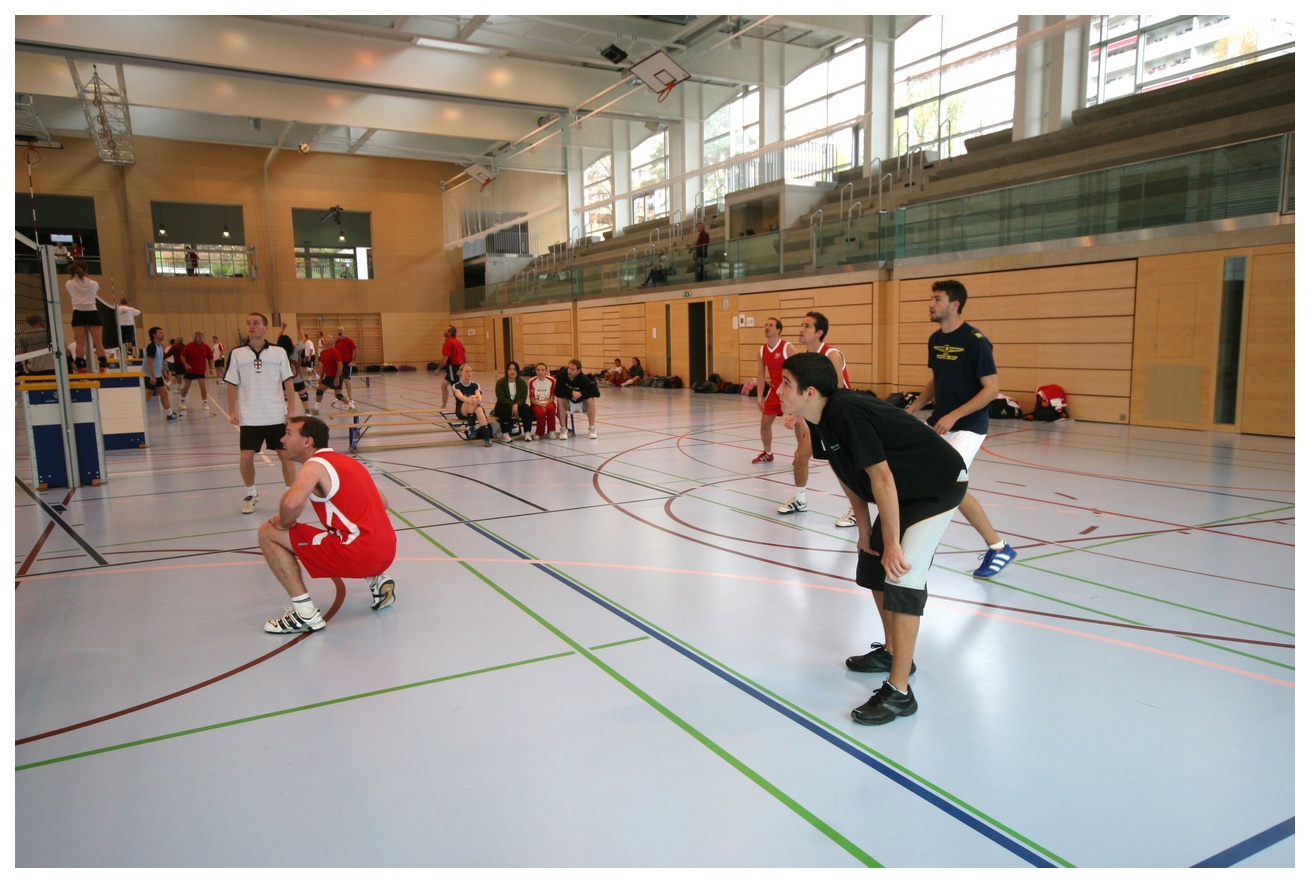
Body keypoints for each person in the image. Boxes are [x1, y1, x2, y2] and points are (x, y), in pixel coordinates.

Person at [778, 351, 967, 726]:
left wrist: (892, 544)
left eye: (786, 384)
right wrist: (865, 530)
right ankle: (893, 651)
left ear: (810, 392)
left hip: (938, 487)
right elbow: (846, 473)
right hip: (906, 490)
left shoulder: (849, 413)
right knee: (871, 565)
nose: (779, 390)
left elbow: (881, 477)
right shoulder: (819, 418)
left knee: (902, 576)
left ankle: (900, 692)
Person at [906, 279, 1017, 579]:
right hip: (939, 421)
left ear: (954, 305)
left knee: (949, 482)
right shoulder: (935, 339)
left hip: (968, 426)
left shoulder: (975, 341)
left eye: (937, 299)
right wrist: (914, 407)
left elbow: (991, 389)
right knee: (919, 474)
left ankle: (998, 547)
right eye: (931, 299)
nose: (931, 304)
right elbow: (937, 379)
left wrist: (954, 415)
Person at [257, 415, 397, 634]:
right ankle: (377, 580)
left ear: (307, 442)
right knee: (344, 529)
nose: (282, 440)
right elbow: (384, 503)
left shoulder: (314, 466)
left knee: (268, 532)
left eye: (289, 434)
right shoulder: (350, 462)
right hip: (387, 552)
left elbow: (292, 503)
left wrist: (283, 523)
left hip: (358, 555)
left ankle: (305, 614)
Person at [776, 311, 852, 522]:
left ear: (819, 333)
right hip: (816, 417)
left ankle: (855, 509)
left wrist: (801, 415)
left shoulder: (832, 355)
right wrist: (796, 413)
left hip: (838, 416)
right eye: (801, 325)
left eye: (807, 326)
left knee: (842, 464)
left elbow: (833, 391)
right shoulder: (805, 360)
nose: (801, 329)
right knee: (800, 456)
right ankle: (800, 499)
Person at [225, 312, 297, 515]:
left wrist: (291, 411)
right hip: (250, 417)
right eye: (248, 323)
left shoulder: (278, 352)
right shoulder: (237, 353)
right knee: (246, 457)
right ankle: (251, 494)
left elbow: (288, 382)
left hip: (276, 415)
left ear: (265, 328)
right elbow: (231, 384)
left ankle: (290, 495)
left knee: (285, 455)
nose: (251, 326)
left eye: (256, 323)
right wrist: (232, 411)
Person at [751, 317, 796, 465]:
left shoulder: (787, 347)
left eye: (770, 325)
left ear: (778, 330)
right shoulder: (762, 350)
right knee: (765, 423)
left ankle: (801, 455)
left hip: (791, 392)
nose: (767, 327)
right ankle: (768, 453)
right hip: (775, 391)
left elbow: (800, 369)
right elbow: (761, 374)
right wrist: (759, 396)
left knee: (798, 423)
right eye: (765, 324)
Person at [65, 261, 107, 373]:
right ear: (86, 271)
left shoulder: (69, 283)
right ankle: (103, 365)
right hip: (92, 312)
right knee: (98, 341)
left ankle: (81, 366)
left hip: (78, 312)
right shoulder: (94, 284)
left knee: (80, 342)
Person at [142, 326, 181, 420]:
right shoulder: (151, 346)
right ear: (154, 335)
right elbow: (149, 362)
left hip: (158, 375)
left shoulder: (161, 346)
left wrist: (164, 373)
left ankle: (170, 414)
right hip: (149, 375)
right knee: (148, 395)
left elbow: (160, 361)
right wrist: (152, 376)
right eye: (160, 332)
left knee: (164, 393)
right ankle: (138, 411)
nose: (162, 334)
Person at [556, 358, 600, 439]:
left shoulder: (584, 379)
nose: (569, 371)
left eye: (573, 369)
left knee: (590, 399)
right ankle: (563, 429)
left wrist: (580, 394)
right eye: (569, 368)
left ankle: (592, 428)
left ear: (578, 371)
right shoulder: (562, 376)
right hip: (568, 403)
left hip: (581, 403)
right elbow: (557, 392)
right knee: (559, 400)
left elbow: (596, 393)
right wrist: (571, 393)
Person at [453, 363, 493, 446]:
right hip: (462, 410)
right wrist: (470, 399)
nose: (469, 373)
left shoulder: (475, 385)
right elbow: (460, 397)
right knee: (472, 399)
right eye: (466, 371)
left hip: (474, 408)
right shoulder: (456, 385)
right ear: (461, 372)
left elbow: (479, 396)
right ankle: (471, 426)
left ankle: (486, 437)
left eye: (470, 371)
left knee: (479, 410)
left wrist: (477, 399)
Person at [493, 361, 534, 442]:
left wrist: (516, 405)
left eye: (514, 369)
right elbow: (501, 398)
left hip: (518, 405)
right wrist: (513, 405)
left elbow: (523, 397)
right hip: (503, 405)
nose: (512, 371)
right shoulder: (500, 382)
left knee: (526, 409)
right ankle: (505, 434)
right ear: (507, 371)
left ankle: (527, 432)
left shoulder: (522, 383)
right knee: (505, 409)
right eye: (510, 369)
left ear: (517, 371)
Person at [310, 342, 349, 414]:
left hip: (336, 376)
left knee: (338, 395)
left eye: (327, 339)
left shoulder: (334, 352)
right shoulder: (323, 353)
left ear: (331, 342)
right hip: (328, 376)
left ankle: (351, 407)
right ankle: (316, 409)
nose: (324, 340)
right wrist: (321, 377)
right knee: (319, 390)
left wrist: (337, 378)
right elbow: (324, 366)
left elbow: (340, 365)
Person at [179, 331, 214, 411]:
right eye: (198, 336)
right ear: (195, 337)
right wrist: (185, 364)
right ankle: (182, 400)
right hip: (190, 370)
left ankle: (205, 402)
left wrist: (211, 368)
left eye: (201, 336)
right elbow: (182, 356)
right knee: (187, 386)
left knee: (202, 385)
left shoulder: (205, 347)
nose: (200, 337)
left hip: (200, 370)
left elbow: (210, 358)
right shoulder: (189, 346)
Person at [277, 332, 311, 411]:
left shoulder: (279, 351)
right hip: (297, 379)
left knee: (285, 398)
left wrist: (282, 329)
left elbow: (278, 340)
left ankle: (287, 414)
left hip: (284, 379)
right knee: (304, 396)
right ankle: (308, 413)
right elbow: (303, 340)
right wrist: (300, 329)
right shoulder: (296, 349)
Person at [528, 362, 558, 439]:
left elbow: (552, 397)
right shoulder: (531, 381)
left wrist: (546, 404)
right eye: (538, 370)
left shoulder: (551, 380)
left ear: (546, 371)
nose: (540, 372)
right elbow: (532, 399)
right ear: (535, 371)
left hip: (548, 402)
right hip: (536, 403)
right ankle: (539, 433)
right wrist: (540, 404)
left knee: (551, 409)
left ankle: (551, 431)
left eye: (542, 370)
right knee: (541, 413)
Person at [438, 325, 466, 409]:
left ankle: (461, 405)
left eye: (446, 330)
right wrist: (465, 365)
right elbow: (464, 354)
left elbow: (445, 357)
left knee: (455, 387)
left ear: (450, 333)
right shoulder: (458, 342)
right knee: (444, 385)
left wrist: (438, 368)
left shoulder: (448, 342)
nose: (444, 331)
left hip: (452, 367)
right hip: (457, 367)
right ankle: (444, 405)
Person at [334, 326, 358, 406]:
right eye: (338, 330)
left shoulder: (349, 341)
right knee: (339, 380)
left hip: (347, 363)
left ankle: (350, 398)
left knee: (346, 380)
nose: (340, 331)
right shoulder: (337, 341)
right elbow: (336, 352)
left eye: (341, 330)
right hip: (340, 363)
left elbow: (355, 350)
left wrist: (353, 361)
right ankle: (339, 396)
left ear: (344, 331)